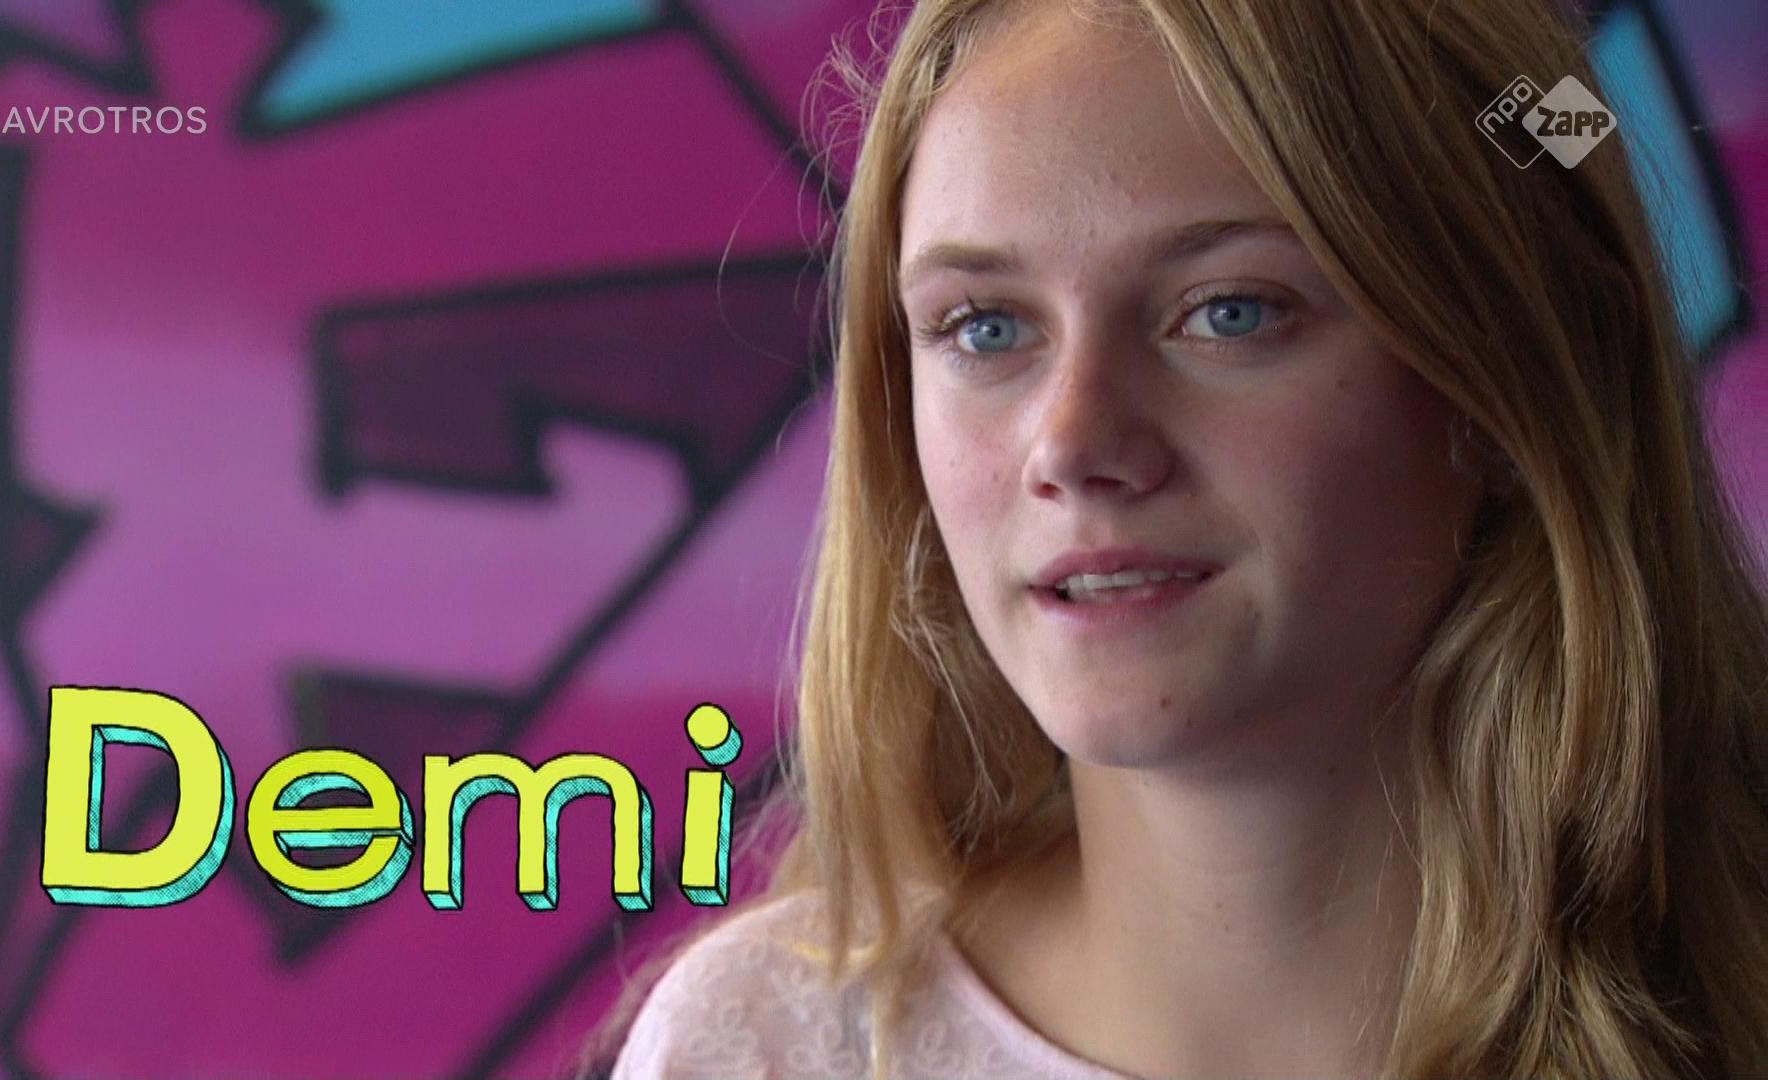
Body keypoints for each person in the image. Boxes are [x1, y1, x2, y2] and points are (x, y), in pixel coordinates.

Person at [602, 0, 1768, 1076]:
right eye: (985, 326)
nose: (1071, 443)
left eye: (1230, 311)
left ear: (1521, 389)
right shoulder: (766, 1049)